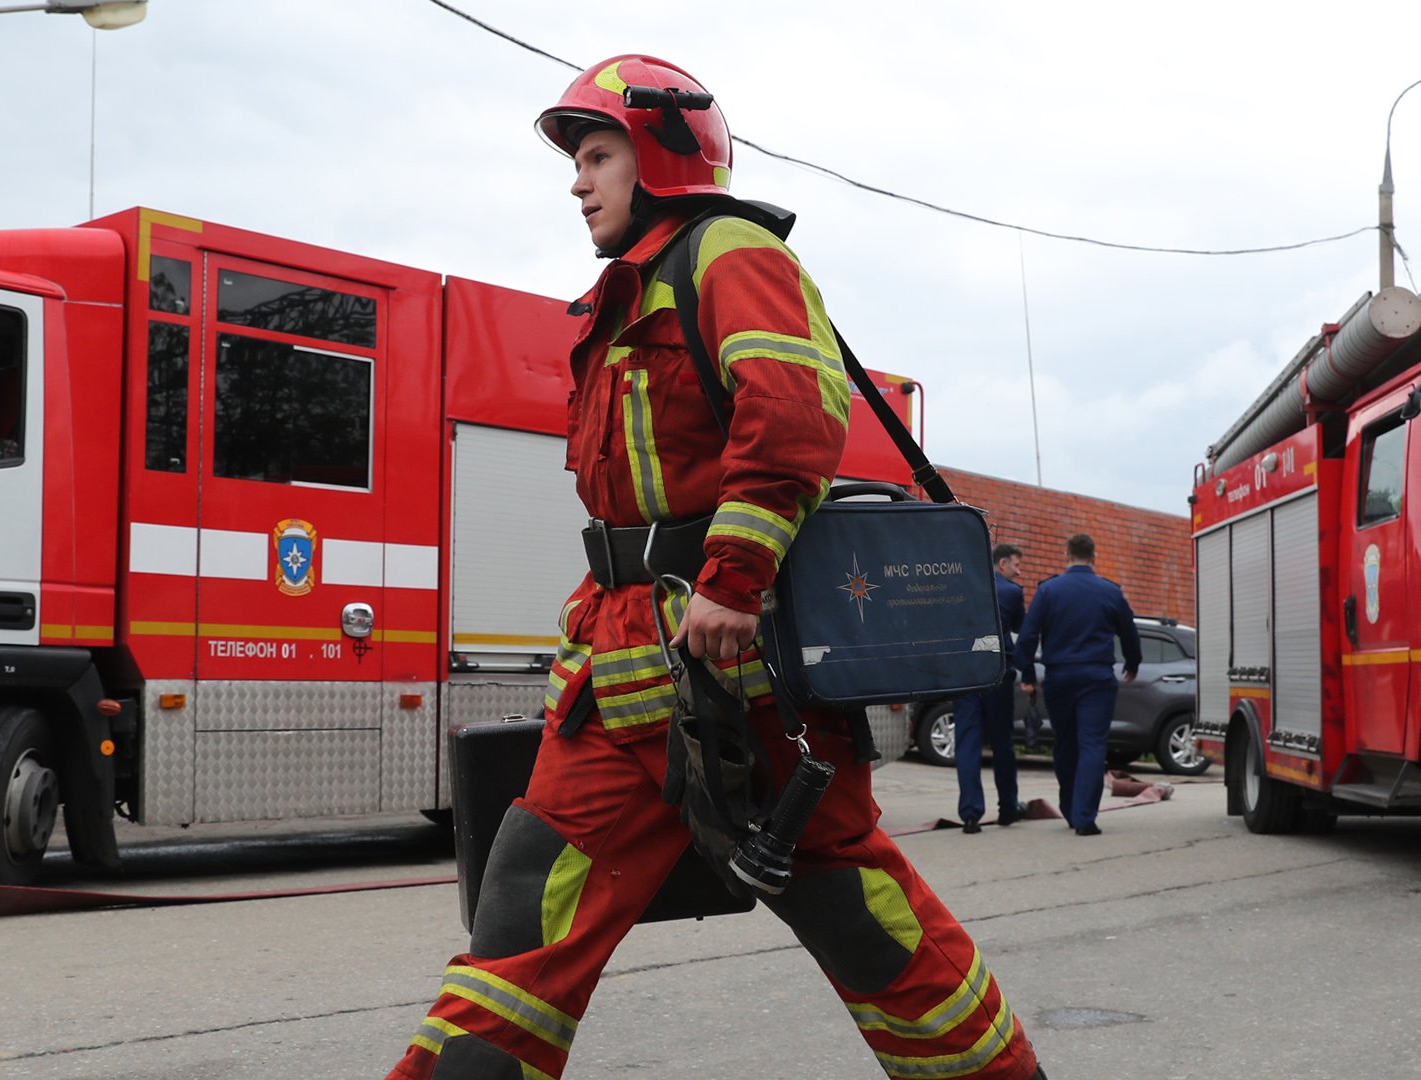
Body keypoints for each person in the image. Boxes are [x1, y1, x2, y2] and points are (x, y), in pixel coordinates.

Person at [387, 55, 1042, 1080]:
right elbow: (633, 503)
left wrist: (735, 580)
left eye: (596, 155)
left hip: (732, 676)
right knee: (524, 899)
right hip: (623, 668)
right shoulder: (629, 288)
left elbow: (789, 415)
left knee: (855, 912)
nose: (576, 181)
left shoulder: (726, 251)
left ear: (657, 154)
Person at [1013, 533, 1141, 837]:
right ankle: (1085, 817)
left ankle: (1070, 809)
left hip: (1059, 678)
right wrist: (1132, 663)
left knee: (1065, 744)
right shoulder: (1110, 591)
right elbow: (1129, 632)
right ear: (1093, 556)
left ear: (1066, 553)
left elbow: (1029, 635)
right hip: (1096, 680)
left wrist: (1027, 672)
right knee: (1093, 744)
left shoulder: (1048, 591)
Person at [954, 543, 1028, 834]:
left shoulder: (961, 589)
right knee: (1002, 744)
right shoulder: (1011, 592)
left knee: (968, 744)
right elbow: (1024, 632)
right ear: (1002, 563)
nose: (1018, 572)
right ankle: (1008, 808)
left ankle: (971, 815)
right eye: (1016, 566)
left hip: (966, 676)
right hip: (998, 673)